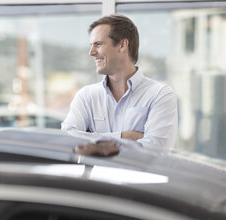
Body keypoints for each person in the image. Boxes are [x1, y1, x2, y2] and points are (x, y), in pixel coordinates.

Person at [62, 14, 177, 149]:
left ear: (122, 45)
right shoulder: (86, 96)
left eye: (98, 44)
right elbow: (67, 138)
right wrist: (125, 137)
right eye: (91, 45)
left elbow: (156, 149)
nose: (91, 52)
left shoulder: (160, 95)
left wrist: (93, 143)